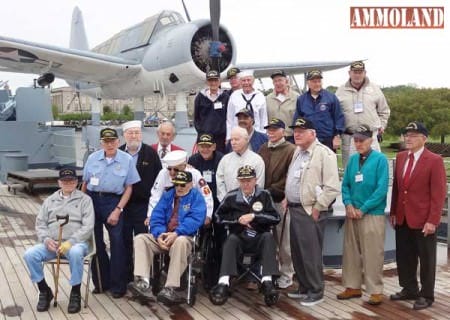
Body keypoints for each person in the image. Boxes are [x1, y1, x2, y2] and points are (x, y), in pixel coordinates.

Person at [389, 121, 447, 310]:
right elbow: (397, 189)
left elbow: (438, 194)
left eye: (413, 135)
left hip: (423, 219)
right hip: (403, 217)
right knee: (404, 256)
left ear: (424, 138)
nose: (408, 138)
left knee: (427, 258)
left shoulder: (434, 160)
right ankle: (409, 288)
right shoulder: (400, 157)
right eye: (406, 135)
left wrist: (433, 220)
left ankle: (426, 295)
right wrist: (393, 212)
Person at [285, 117, 340, 306]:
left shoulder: (325, 154)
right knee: (298, 252)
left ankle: (316, 290)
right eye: (295, 131)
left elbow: (332, 187)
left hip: (310, 211)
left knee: (310, 253)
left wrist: (318, 208)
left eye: (301, 131)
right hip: (294, 210)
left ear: (313, 133)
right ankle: (303, 287)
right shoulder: (297, 152)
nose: (297, 134)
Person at [24, 167, 94, 313]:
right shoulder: (50, 200)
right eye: (65, 181)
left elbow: (88, 227)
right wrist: (46, 239)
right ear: (59, 182)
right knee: (30, 254)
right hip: (53, 244)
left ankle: (75, 292)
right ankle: (44, 290)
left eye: (72, 180)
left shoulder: (85, 200)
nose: (68, 183)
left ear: (77, 182)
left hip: (76, 243)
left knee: (75, 253)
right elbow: (40, 223)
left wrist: (70, 242)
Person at [131, 171, 206, 305]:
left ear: (190, 184)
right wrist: (160, 234)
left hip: (183, 236)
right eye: (176, 184)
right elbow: (156, 216)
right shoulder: (168, 195)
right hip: (164, 234)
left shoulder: (197, 197)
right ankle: (143, 283)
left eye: (182, 185)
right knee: (140, 238)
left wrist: (176, 233)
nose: (179, 188)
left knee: (181, 242)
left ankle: (170, 288)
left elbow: (195, 220)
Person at [209, 165, 280, 306]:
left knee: (268, 237)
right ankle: (223, 282)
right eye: (242, 181)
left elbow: (276, 217)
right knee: (230, 240)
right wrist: (238, 220)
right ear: (238, 181)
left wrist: (254, 216)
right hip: (239, 238)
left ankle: (267, 281)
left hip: (259, 237)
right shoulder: (231, 196)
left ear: (255, 180)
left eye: (249, 180)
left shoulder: (264, 195)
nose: (246, 184)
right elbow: (217, 217)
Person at [81, 128, 140, 298]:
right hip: (93, 200)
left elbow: (129, 187)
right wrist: (83, 205)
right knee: (95, 243)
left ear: (117, 141)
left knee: (117, 243)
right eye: (106, 141)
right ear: (101, 143)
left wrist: (118, 209)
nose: (110, 144)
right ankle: (101, 282)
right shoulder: (92, 158)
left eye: (113, 141)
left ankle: (118, 285)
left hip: (114, 201)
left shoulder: (126, 159)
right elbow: (85, 183)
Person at [336, 124, 389, 305]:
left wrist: (363, 208)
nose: (358, 144)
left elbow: (381, 189)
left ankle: (375, 289)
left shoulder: (380, 160)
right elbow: (345, 186)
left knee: (373, 252)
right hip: (352, 213)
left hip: (372, 213)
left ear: (371, 140)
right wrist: (348, 204)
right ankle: (353, 286)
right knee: (351, 251)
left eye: (362, 140)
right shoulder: (352, 161)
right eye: (356, 140)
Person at [119, 120, 162, 283]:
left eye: (137, 132)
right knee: (124, 242)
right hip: (123, 205)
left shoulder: (150, 153)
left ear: (141, 134)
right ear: (124, 135)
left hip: (142, 205)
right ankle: (127, 276)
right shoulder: (119, 153)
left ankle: (146, 278)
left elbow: (158, 180)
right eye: (130, 133)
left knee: (144, 242)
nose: (134, 136)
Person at [258, 118, 296, 289]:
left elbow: (291, 176)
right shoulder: (263, 148)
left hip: (280, 199)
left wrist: (275, 189)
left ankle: (287, 273)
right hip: (264, 200)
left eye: (274, 129)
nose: (271, 133)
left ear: (283, 131)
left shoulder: (291, 150)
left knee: (283, 239)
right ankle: (271, 271)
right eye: (269, 130)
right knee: (268, 239)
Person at [336, 61, 390, 167]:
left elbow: (384, 110)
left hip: (371, 137)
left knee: (373, 168)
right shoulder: (340, 91)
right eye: (355, 72)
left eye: (360, 72)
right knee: (351, 169)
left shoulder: (375, 89)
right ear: (349, 73)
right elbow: (336, 114)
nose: (357, 75)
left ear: (365, 73)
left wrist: (382, 125)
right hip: (350, 137)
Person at [146, 150, 214, 225]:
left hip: (189, 214)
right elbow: (155, 196)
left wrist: (207, 215)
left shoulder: (195, 174)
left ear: (184, 166)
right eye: (169, 169)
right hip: (168, 215)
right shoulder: (163, 173)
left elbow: (207, 194)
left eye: (176, 169)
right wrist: (151, 216)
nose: (172, 172)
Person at [294, 69, 344, 152]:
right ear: (308, 83)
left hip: (327, 139)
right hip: (308, 140)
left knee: (328, 164)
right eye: (314, 81)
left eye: (319, 81)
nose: (317, 84)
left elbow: (339, 117)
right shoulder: (301, 99)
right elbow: (297, 120)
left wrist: (337, 136)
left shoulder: (331, 97)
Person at [216, 126, 265, 202]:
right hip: (229, 205)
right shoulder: (225, 160)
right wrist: (226, 201)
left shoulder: (257, 160)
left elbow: (259, 184)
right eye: (231, 139)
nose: (233, 142)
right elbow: (220, 183)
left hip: (250, 205)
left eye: (236, 139)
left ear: (246, 140)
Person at [194, 70, 229, 153]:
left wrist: (224, 132)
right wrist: (201, 131)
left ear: (219, 81)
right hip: (204, 136)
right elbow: (196, 117)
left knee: (220, 160)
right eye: (210, 80)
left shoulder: (225, 97)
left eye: (215, 80)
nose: (213, 83)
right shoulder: (200, 97)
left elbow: (228, 117)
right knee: (204, 159)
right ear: (207, 82)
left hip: (220, 137)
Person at [226, 70, 268, 141]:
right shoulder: (234, 96)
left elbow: (263, 119)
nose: (246, 83)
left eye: (248, 80)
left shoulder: (260, 96)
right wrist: (229, 137)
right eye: (243, 80)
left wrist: (263, 135)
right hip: (238, 135)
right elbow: (230, 119)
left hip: (256, 134)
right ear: (240, 82)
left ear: (253, 81)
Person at [266, 69, 299, 142]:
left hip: (291, 138)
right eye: (275, 81)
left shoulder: (297, 97)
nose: (277, 83)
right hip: (273, 138)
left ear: (286, 81)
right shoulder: (268, 99)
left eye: (280, 80)